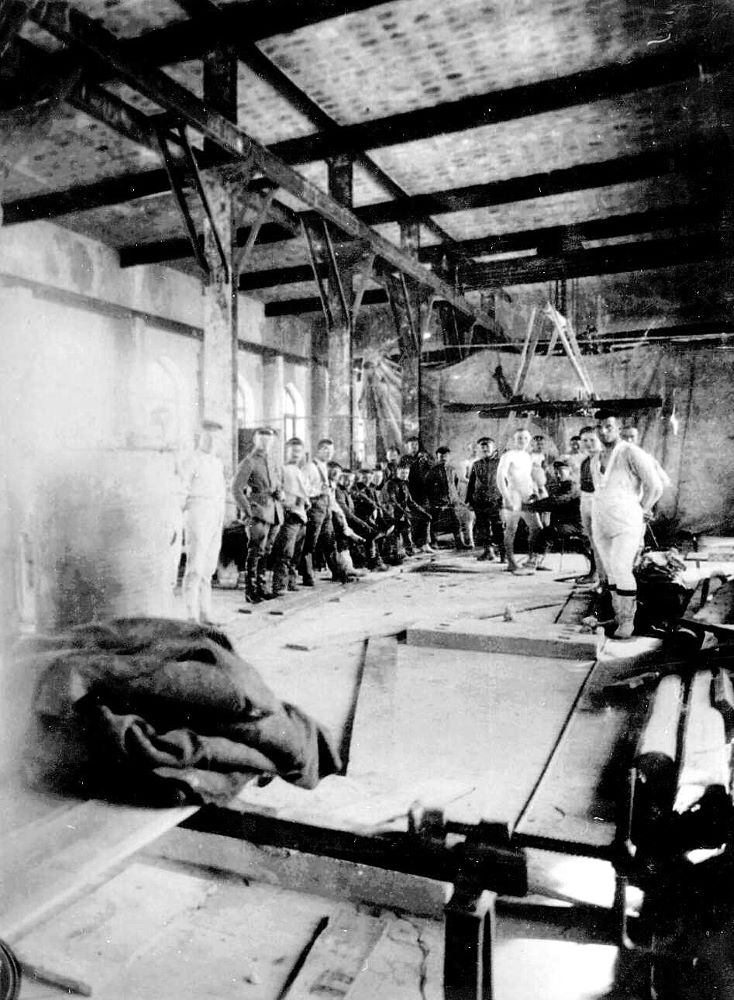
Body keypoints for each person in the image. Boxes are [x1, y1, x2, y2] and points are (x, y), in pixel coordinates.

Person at [591, 412, 664, 638]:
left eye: (608, 426)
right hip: (602, 520)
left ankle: (627, 622)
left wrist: (642, 509)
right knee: (611, 570)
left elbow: (655, 486)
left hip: (626, 520)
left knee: (621, 567)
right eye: (599, 427)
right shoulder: (596, 458)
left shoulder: (631, 452)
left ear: (618, 428)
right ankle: (617, 615)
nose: (603, 431)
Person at [181, 419, 226, 623]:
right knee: (196, 566)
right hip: (198, 511)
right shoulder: (192, 460)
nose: (212, 441)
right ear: (200, 437)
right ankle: (190, 614)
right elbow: (182, 490)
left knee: (208, 567)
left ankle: (205, 612)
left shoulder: (217, 463)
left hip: (216, 512)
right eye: (208, 437)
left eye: (216, 438)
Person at [232, 426, 284, 604]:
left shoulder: (272, 461)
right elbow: (236, 489)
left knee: (266, 550)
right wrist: (248, 511)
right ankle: (250, 589)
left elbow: (276, 484)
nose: (265, 443)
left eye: (269, 440)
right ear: (255, 440)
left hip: (274, 511)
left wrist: (280, 492)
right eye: (262, 439)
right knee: (255, 550)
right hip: (257, 513)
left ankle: (262, 587)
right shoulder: (249, 462)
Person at [496, 428, 543, 574]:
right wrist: (506, 497)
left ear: (529, 440)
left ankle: (532, 560)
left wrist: (534, 491)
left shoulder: (528, 456)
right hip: (513, 494)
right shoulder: (508, 455)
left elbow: (528, 477)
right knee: (511, 528)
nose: (523, 441)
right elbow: (500, 477)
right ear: (514, 440)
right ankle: (511, 562)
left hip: (527, 494)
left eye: (525, 438)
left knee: (537, 528)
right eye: (519, 438)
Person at [524, 459, 583, 570]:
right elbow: (552, 500)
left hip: (575, 525)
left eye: (561, 471)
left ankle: (532, 564)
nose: (558, 475)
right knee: (544, 531)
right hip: (566, 523)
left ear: (569, 471)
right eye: (556, 473)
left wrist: (532, 506)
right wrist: (537, 501)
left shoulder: (572, 485)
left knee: (547, 533)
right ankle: (536, 561)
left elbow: (556, 501)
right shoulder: (563, 485)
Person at [270, 437, 310, 596]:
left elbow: (305, 492)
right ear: (286, 451)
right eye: (293, 451)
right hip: (290, 515)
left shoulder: (299, 472)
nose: (296, 454)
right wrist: (287, 499)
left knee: (296, 554)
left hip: (302, 516)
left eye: (298, 451)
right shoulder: (282, 469)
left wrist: (306, 502)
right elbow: (277, 490)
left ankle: (291, 582)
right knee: (285, 552)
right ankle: (279, 585)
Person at [465, 437, 504, 562]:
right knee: (483, 528)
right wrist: (469, 500)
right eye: (482, 447)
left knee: (498, 528)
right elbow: (471, 483)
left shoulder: (501, 463)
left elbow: (506, 481)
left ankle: (504, 554)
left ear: (494, 448)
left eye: (488, 446)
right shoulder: (476, 464)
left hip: (496, 500)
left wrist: (506, 499)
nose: (485, 449)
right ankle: (488, 552)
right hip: (479, 501)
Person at [424, 446, 467, 550]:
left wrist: (454, 496)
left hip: (451, 499)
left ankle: (459, 542)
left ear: (449, 457)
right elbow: (428, 487)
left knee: (456, 521)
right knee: (435, 521)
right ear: (437, 457)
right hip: (438, 501)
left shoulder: (452, 469)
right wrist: (434, 500)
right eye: (441, 457)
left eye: (445, 456)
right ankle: (434, 542)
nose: (443, 458)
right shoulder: (432, 471)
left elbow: (455, 483)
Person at [577, 425, 603, 586]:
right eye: (585, 440)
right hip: (586, 499)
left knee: (601, 541)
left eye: (592, 440)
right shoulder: (585, 460)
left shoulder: (603, 459)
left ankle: (603, 579)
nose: (588, 443)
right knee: (591, 540)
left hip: (599, 500)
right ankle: (594, 573)